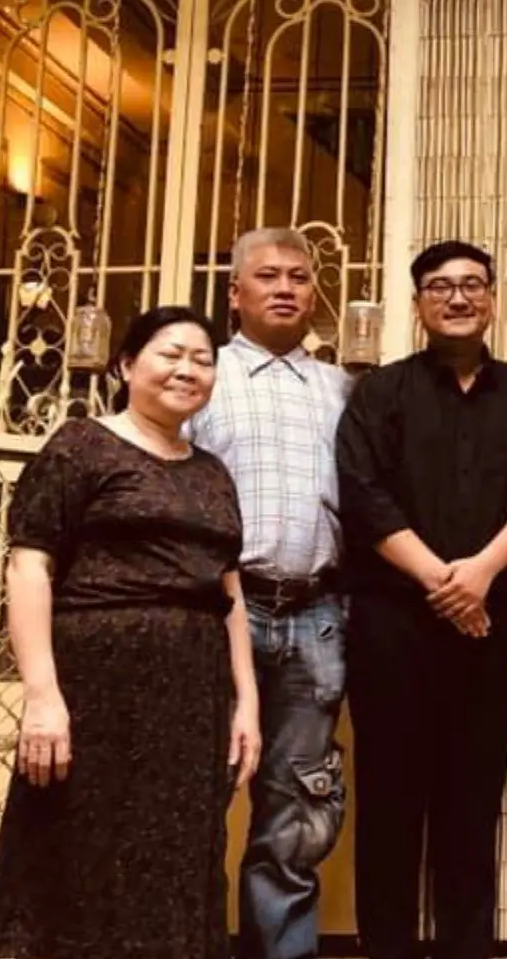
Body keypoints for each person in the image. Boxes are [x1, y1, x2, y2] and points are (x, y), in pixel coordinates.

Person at [0, 306, 261, 959]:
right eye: (171, 354)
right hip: (95, 688)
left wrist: (245, 701)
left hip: (192, 696)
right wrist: (42, 695)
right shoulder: (81, 444)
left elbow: (228, 589)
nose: (188, 369)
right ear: (127, 365)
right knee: (75, 851)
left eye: (203, 358)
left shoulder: (213, 471)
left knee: (179, 853)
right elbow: (29, 565)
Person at [335, 239, 507, 959]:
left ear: (494, 299)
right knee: (391, 802)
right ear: (418, 305)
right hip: (390, 627)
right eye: (440, 286)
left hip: (487, 624)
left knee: (472, 802)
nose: (458, 297)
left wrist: (482, 576)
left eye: (472, 285)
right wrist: (444, 580)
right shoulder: (379, 393)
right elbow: (363, 497)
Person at [186, 228, 350, 959]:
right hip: (221, 615)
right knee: (196, 794)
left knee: (297, 810)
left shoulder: (339, 388)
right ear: (235, 293)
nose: (285, 288)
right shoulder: (200, 377)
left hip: (317, 616)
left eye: (298, 277)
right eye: (267, 276)